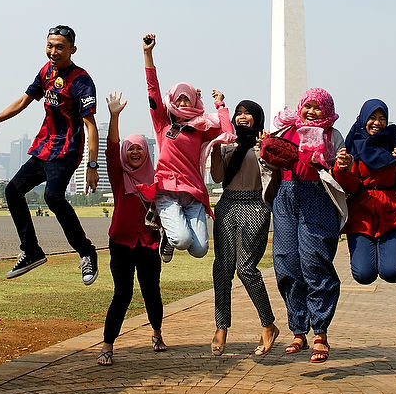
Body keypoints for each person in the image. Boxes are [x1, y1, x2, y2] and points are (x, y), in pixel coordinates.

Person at [0, 25, 100, 284]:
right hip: (43, 147)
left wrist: (92, 165)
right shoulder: (45, 72)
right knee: (12, 190)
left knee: (53, 196)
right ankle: (31, 250)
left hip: (66, 150)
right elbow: (22, 102)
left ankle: (86, 252)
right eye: (50, 46)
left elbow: (90, 125)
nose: (53, 51)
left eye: (59, 47)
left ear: (72, 50)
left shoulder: (82, 81)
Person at [265, 88, 346, 363]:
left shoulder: (333, 136)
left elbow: (339, 171)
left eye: (317, 108)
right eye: (307, 106)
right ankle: (298, 329)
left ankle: (320, 332)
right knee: (285, 262)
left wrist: (340, 165)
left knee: (315, 262)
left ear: (327, 110)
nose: (311, 112)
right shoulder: (286, 129)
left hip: (317, 197)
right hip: (286, 197)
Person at [140, 33, 233, 261]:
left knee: (200, 250)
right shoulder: (163, 121)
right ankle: (166, 233)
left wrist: (221, 105)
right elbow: (153, 89)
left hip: (192, 192)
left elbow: (228, 133)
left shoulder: (201, 126)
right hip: (167, 191)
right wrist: (147, 54)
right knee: (181, 240)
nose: (182, 103)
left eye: (187, 99)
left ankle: (170, 234)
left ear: (194, 100)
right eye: (179, 98)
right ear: (172, 100)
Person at [95, 91, 166, 366]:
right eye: (130, 148)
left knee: (152, 292)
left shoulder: (157, 177)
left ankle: (157, 334)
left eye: (139, 148)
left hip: (148, 243)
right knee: (121, 294)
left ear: (146, 152)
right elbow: (111, 151)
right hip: (122, 243)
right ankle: (107, 346)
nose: (135, 151)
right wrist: (114, 117)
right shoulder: (119, 176)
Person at [208, 99, 279, 357]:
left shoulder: (265, 143)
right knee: (222, 268)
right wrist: (216, 148)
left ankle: (268, 324)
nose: (242, 116)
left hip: (255, 206)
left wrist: (266, 150)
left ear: (257, 118)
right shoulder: (227, 144)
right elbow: (217, 176)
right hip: (227, 205)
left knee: (246, 268)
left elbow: (273, 175)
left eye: (248, 113)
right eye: (238, 113)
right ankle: (221, 327)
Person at [333, 99, 396, 286]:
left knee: (392, 272)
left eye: (382, 118)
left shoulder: (391, 146)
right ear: (363, 120)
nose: (377, 123)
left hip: (391, 211)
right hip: (362, 213)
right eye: (372, 118)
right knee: (363, 274)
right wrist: (341, 169)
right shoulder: (352, 148)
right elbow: (349, 187)